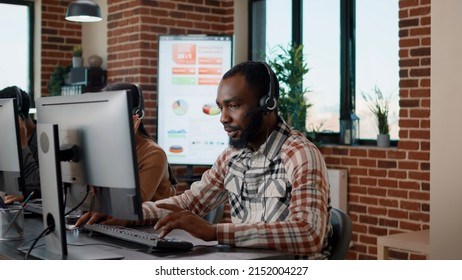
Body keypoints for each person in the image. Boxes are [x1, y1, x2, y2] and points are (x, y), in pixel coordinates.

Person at [78, 62, 332, 259]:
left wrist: (215, 232)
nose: (223, 118)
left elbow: (308, 234)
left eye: (233, 106)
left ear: (268, 104)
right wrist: (127, 215)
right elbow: (189, 202)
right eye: (220, 107)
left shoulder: (300, 154)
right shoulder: (232, 157)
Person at [101, 82, 177, 202]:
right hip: (116, 219)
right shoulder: (105, 146)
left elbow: (133, 202)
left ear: (136, 115)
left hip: (154, 220)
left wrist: (124, 146)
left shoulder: (154, 154)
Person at [0, 86, 40, 203]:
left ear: (19, 117)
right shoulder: (7, 138)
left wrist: (23, 146)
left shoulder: (45, 140)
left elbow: (42, 185)